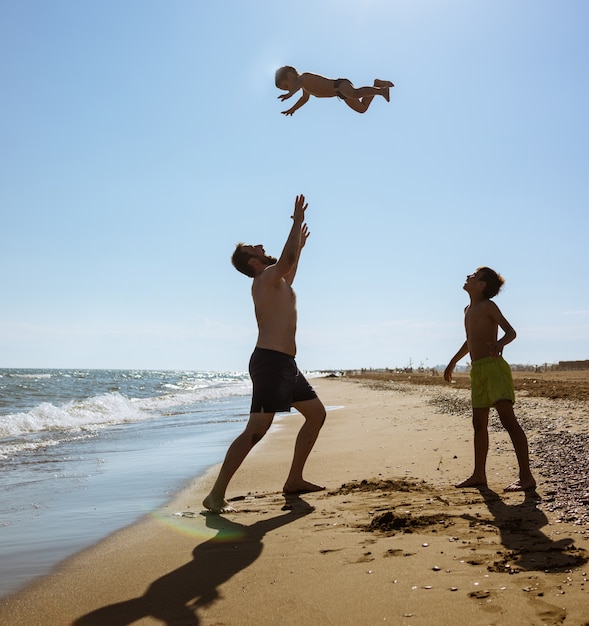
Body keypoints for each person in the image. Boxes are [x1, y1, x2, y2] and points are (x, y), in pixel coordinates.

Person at [203, 194, 327, 513]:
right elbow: (285, 262)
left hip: (285, 364)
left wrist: (299, 244)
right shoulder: (264, 278)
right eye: (253, 249)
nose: (259, 246)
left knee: (316, 414)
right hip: (270, 364)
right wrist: (296, 221)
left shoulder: (276, 282)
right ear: (253, 263)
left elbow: (290, 265)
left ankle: (294, 479)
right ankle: (216, 494)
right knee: (257, 430)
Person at [444, 267, 536, 493]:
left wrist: (499, 344)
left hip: (494, 369)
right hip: (478, 371)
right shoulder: (468, 309)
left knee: (508, 421)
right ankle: (479, 474)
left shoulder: (488, 307)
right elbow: (469, 341)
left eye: (473, 276)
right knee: (478, 424)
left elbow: (510, 332)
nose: (468, 276)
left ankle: (526, 477)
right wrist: (453, 362)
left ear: (482, 284)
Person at [275, 66, 394, 115]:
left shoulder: (304, 78)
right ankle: (377, 84)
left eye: (286, 86)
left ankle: (381, 90)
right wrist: (292, 109)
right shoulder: (305, 88)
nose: (289, 89)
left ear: (290, 76)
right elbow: (304, 99)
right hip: (340, 94)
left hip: (340, 85)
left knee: (354, 93)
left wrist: (290, 94)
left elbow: (299, 82)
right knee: (362, 108)